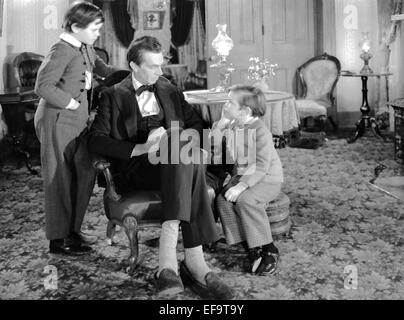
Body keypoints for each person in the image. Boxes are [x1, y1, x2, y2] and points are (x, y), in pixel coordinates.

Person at [88, 36, 234, 299]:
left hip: (175, 163)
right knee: (186, 159)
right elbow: (96, 139)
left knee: (182, 150)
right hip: (138, 168)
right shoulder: (112, 94)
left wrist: (179, 140)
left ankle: (168, 265)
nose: (160, 72)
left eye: (161, 65)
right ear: (134, 65)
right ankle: (195, 262)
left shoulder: (169, 89)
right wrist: (141, 148)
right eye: (153, 66)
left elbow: (197, 125)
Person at [34, 1, 116, 255]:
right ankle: (58, 240)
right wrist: (70, 103)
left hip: (78, 123)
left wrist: (134, 73)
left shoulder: (86, 47)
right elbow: (43, 86)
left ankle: (73, 229)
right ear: (76, 26)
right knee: (59, 178)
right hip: (56, 121)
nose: (98, 33)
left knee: (85, 171)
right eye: (94, 28)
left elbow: (104, 70)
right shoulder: (60, 49)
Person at [211, 85, 284, 275]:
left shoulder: (260, 131)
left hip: (267, 179)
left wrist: (243, 186)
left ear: (245, 110)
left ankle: (268, 248)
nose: (225, 104)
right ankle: (249, 244)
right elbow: (214, 145)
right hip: (243, 175)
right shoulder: (234, 124)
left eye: (230, 102)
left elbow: (261, 166)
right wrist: (222, 122)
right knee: (223, 199)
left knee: (246, 201)